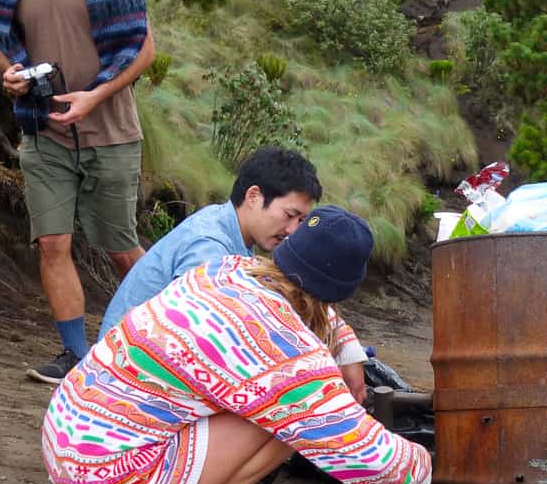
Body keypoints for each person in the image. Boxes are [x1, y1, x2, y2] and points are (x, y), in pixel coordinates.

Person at [42, 206, 432, 484]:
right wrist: (419, 465)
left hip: (72, 444)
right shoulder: (284, 346)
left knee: (277, 406)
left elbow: (319, 309)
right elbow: (356, 448)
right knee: (293, 422)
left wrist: (348, 352)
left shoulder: (225, 270)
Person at [0, 0, 157, 384]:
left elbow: (142, 50)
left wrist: (94, 96)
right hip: (44, 130)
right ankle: (77, 357)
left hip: (109, 132)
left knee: (123, 250)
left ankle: (163, 348)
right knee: (53, 245)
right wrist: (10, 72)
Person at [97, 146, 368, 403]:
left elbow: (276, 289)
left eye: (300, 221)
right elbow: (212, 337)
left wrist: (346, 346)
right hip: (122, 382)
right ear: (253, 197)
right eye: (289, 215)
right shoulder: (208, 246)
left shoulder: (229, 230)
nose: (293, 230)